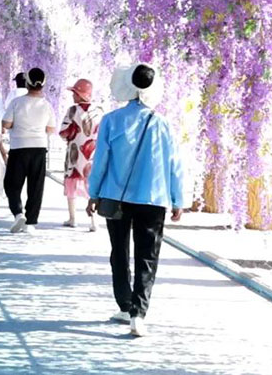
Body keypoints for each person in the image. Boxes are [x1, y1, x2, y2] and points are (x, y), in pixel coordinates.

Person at [87, 63, 183, 338]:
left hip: (116, 196)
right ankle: (138, 314)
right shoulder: (162, 123)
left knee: (119, 252)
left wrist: (94, 193)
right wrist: (178, 199)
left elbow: (101, 160)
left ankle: (125, 304)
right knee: (147, 256)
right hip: (152, 198)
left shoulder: (112, 119)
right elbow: (174, 163)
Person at [2, 68, 56, 234]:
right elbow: (51, 129)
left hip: (19, 147)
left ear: (27, 83)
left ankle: (18, 213)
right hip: (39, 148)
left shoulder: (17, 102)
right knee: (35, 186)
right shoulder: (47, 105)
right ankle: (31, 222)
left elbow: (6, 124)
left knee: (12, 184)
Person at [59, 78, 104, 232]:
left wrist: (72, 133)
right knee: (91, 185)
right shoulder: (99, 111)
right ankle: (94, 221)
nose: (73, 96)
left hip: (74, 153)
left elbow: (63, 132)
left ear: (80, 95)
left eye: (74, 93)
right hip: (92, 154)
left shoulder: (73, 110)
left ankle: (72, 218)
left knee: (71, 182)